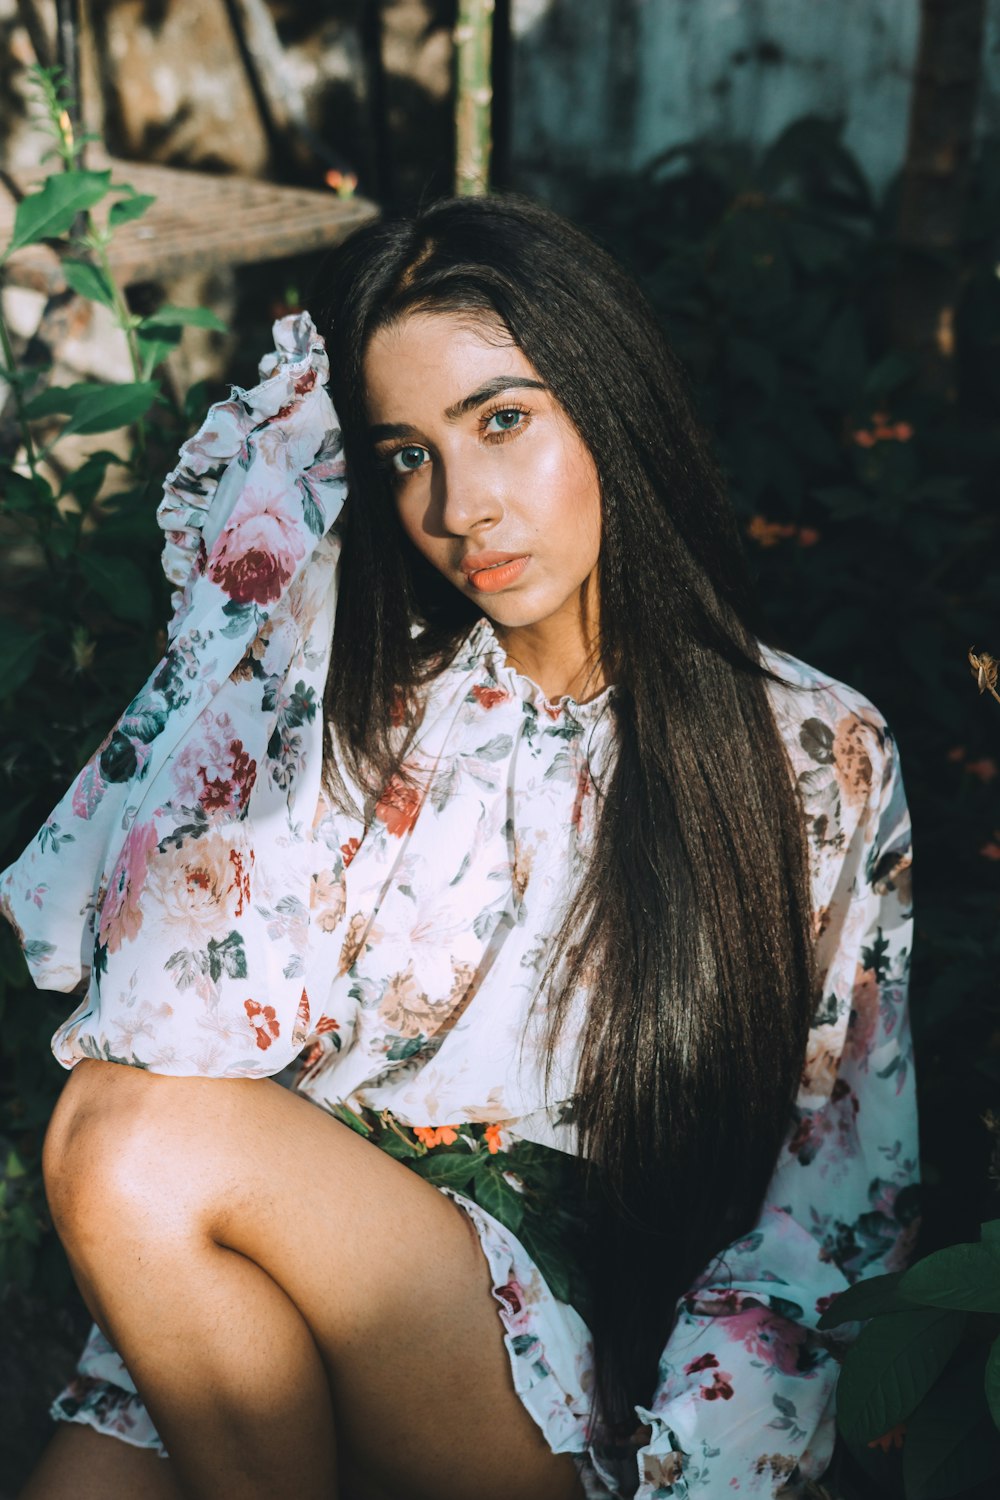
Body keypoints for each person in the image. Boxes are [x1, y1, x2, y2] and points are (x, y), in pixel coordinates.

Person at [3, 194, 917, 1500]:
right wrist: (254, 628)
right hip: (266, 1277)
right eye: (403, 456)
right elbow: (166, 1024)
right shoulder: (371, 703)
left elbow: (833, 1211)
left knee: (120, 1141)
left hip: (564, 1356)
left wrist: (700, 1471)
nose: (461, 507)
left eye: (500, 420)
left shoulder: (813, 752)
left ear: (608, 397)